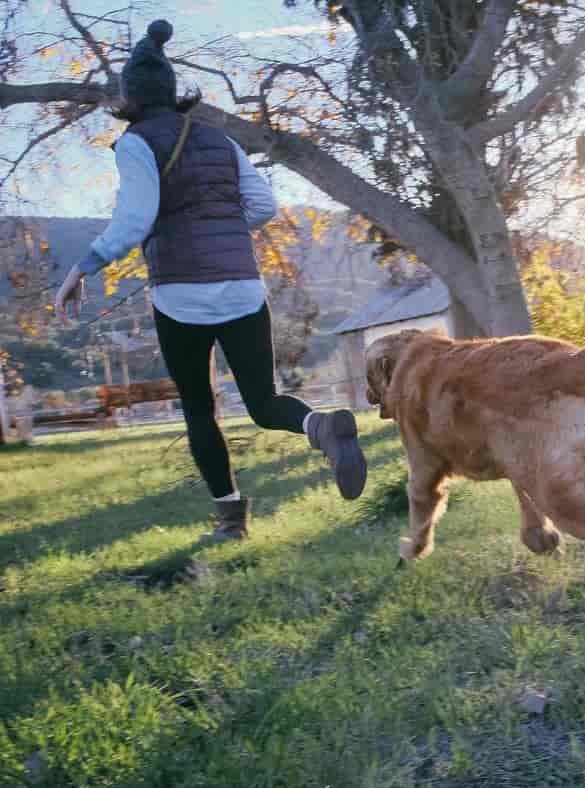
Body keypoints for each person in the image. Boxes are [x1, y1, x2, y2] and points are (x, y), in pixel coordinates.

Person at [54, 20, 367, 541]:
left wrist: (80, 268)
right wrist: (220, 228)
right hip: (243, 287)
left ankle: (231, 522)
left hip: (182, 296)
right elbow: (265, 206)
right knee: (264, 403)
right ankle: (320, 428)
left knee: (201, 409)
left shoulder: (135, 143)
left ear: (128, 96)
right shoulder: (216, 137)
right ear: (174, 92)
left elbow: (135, 219)